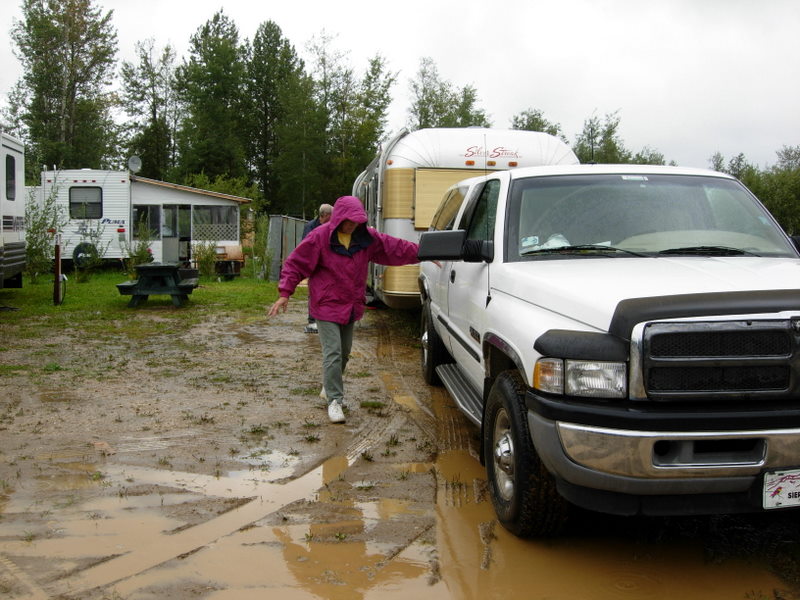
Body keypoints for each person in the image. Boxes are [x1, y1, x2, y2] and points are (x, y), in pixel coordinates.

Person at [268, 195, 419, 424]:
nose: (352, 225)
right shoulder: (319, 237)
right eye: (349, 220)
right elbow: (296, 263)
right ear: (338, 218)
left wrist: (424, 253)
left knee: (345, 353)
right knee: (333, 352)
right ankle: (335, 401)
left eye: (357, 221)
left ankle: (329, 386)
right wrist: (284, 293)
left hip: (351, 305)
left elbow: (395, 247)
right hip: (325, 303)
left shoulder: (366, 238)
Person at [301, 203, 333, 333]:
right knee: (314, 292)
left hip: (328, 266)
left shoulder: (331, 226)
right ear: (325, 215)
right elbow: (305, 247)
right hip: (314, 265)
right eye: (331, 215)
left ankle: (326, 319)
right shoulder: (310, 227)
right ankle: (312, 320)